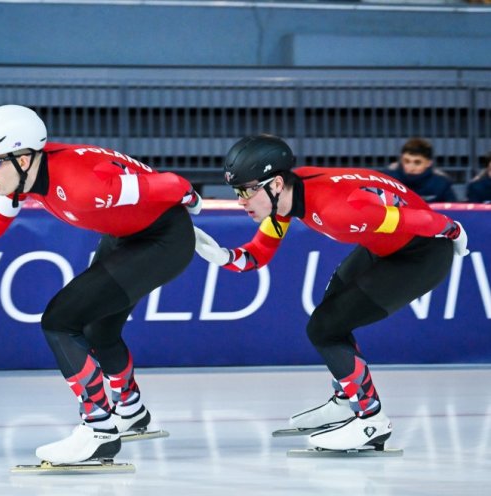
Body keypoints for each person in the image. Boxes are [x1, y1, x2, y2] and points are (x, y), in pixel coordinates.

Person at [0, 105, 202, 465]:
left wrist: (194, 202)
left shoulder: (82, 187)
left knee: (60, 321)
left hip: (162, 241)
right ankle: (131, 411)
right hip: (128, 234)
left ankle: (99, 430)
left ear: (24, 159)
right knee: (97, 327)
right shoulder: (26, 175)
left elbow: (173, 183)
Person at [194, 134, 468, 452]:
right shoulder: (285, 202)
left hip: (422, 254)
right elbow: (257, 255)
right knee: (331, 311)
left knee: (324, 327)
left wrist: (453, 230)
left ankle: (371, 420)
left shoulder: (338, 210)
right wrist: (222, 256)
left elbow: (417, 218)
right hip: (384, 246)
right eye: (237, 191)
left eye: (246, 190)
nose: (241, 200)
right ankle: (345, 401)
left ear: (276, 184)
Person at [383, 137, 458, 203]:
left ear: (429, 163)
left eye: (417, 162)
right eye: (406, 161)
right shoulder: (387, 179)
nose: (411, 167)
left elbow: (453, 212)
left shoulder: (441, 183)